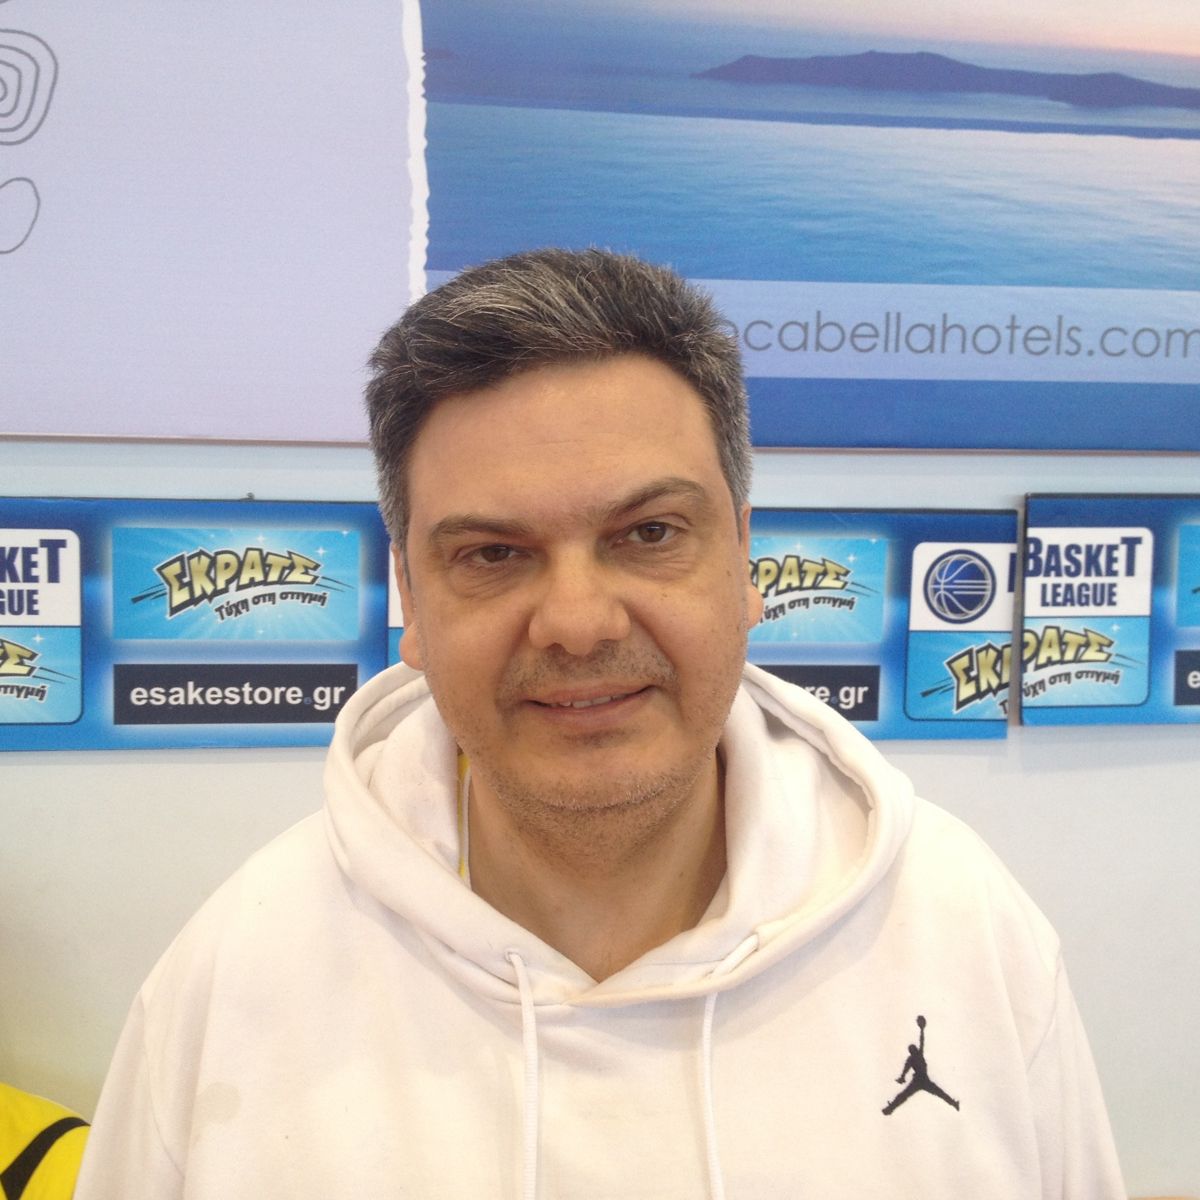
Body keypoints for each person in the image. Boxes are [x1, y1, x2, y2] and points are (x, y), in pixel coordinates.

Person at [76, 248, 1125, 1198]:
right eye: (493, 554)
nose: (578, 623)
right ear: (410, 598)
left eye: (649, 533)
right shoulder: (231, 980)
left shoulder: (965, 931)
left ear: (744, 562)